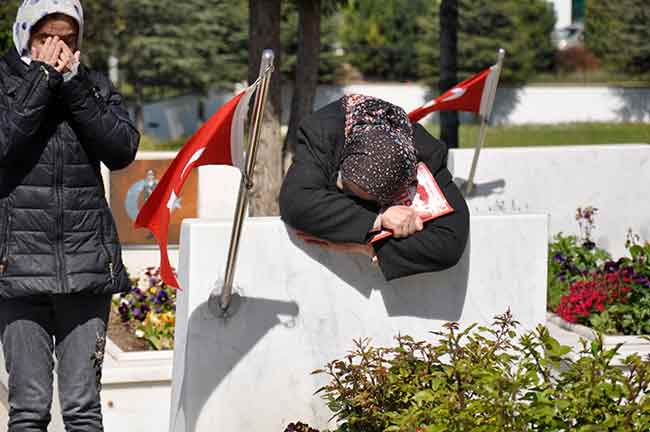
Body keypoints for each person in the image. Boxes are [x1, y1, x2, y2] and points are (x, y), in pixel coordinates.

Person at [0, 1, 139, 431]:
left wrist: (74, 85)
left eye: (68, 38)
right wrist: (41, 80)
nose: (57, 48)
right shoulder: (4, 80)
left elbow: (121, 150)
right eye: (46, 38)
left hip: (85, 266)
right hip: (19, 266)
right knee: (28, 408)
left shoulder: (92, 83)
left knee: (82, 408)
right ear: (25, 35)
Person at [280, 95, 469, 281]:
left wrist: (369, 246)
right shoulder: (322, 132)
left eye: (375, 203)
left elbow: (450, 242)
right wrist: (378, 220)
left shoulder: (426, 152)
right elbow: (296, 201)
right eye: (347, 191)